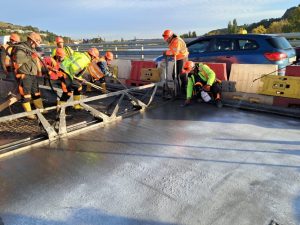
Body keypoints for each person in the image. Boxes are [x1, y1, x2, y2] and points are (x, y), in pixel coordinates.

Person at [14, 32, 45, 119]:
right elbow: (19, 59)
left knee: (36, 92)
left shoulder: (33, 48)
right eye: (38, 41)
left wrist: (39, 70)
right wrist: (31, 56)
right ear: (32, 40)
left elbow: (40, 57)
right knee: (26, 94)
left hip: (33, 74)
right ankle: (29, 113)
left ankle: (40, 109)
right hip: (25, 74)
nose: (38, 43)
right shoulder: (21, 47)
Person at [162, 29, 189, 95]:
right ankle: (178, 90)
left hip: (182, 58)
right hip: (178, 58)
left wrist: (166, 52)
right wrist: (167, 52)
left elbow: (175, 52)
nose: (166, 40)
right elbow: (173, 51)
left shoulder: (177, 41)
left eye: (167, 39)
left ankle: (185, 91)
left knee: (182, 75)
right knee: (174, 75)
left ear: (171, 36)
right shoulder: (173, 40)